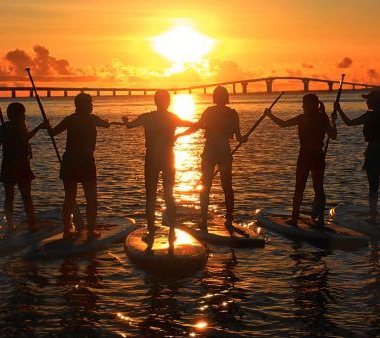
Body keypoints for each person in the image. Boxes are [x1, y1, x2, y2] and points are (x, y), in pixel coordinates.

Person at [122, 90, 196, 240]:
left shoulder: (147, 117)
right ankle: (172, 231)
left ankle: (151, 231)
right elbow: (194, 126)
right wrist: (179, 135)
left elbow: (130, 126)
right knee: (169, 194)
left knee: (151, 195)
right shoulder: (172, 118)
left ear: (155, 102)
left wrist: (125, 120)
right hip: (168, 157)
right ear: (167, 102)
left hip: (152, 159)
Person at [176, 86, 247, 231]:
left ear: (215, 97)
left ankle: (204, 219)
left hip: (211, 152)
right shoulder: (232, 114)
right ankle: (228, 217)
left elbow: (196, 127)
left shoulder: (211, 112)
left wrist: (178, 135)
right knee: (226, 186)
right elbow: (239, 138)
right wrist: (243, 139)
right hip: (222, 152)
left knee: (206, 186)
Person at [264, 93, 337, 227]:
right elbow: (283, 124)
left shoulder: (321, 119)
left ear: (314, 105)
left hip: (313, 157)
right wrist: (270, 115)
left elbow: (333, 136)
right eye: (303, 104)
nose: (303, 106)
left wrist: (333, 122)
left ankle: (319, 218)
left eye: (306, 104)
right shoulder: (307, 118)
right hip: (307, 156)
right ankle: (296, 217)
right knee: (301, 187)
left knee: (317, 188)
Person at [49, 92, 110, 240]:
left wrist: (47, 125)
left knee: (69, 197)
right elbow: (106, 124)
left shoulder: (70, 119)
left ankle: (67, 230)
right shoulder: (92, 119)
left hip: (69, 160)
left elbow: (52, 133)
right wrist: (107, 121)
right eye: (90, 103)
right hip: (84, 161)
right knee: (91, 198)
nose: (92, 105)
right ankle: (89, 230)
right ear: (83, 105)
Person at [334, 89, 380, 223]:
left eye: (368, 100)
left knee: (373, 186)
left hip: (373, 153)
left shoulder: (369, 116)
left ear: (372, 102)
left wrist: (339, 110)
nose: (367, 102)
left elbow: (349, 123)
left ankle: (373, 216)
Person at [0, 102, 46, 234]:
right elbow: (24, 138)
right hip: (16, 165)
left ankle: (22, 224)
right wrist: (39, 127)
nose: (24, 116)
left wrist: (3, 133)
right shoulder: (10, 127)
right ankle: (26, 225)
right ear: (15, 115)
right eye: (22, 114)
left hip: (13, 164)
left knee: (15, 196)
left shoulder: (9, 126)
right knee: (21, 196)